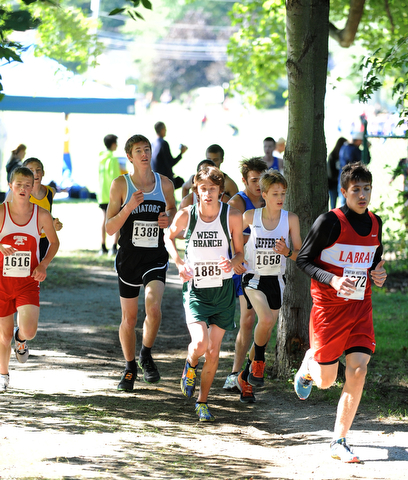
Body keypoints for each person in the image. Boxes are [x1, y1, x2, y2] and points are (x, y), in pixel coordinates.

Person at [295, 162, 387, 463]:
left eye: (367, 189)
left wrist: (377, 273)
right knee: (325, 381)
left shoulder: (376, 223)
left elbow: (373, 260)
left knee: (358, 370)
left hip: (360, 306)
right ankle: (310, 364)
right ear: (344, 191)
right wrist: (333, 279)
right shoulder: (329, 222)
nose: (363, 195)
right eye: (356, 189)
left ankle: (340, 439)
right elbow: (304, 260)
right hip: (329, 310)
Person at [165, 166, 244, 422]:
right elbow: (168, 237)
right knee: (200, 344)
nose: (207, 193)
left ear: (220, 191)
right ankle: (190, 362)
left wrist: (232, 263)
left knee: (213, 351)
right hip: (197, 290)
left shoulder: (232, 215)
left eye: (212, 189)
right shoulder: (188, 215)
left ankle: (202, 402)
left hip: (223, 292)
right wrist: (178, 262)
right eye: (203, 189)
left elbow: (240, 253)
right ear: (196, 191)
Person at [106, 134, 177, 392]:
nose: (145, 154)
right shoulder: (120, 185)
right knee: (129, 318)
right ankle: (129, 367)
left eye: (147, 149)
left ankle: (145, 354)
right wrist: (128, 207)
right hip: (129, 259)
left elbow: (172, 210)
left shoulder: (164, 183)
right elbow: (109, 227)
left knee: (154, 308)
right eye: (139, 150)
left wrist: (168, 219)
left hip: (155, 258)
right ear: (130, 157)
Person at [235, 170, 302, 403]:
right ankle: (260, 363)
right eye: (275, 193)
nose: (280, 197)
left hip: (276, 280)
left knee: (265, 329)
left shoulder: (290, 219)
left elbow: (299, 254)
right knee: (264, 321)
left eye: (283, 193)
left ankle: (245, 377)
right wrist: (237, 256)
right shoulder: (249, 216)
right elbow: (233, 238)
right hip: (253, 277)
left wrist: (288, 252)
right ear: (263, 194)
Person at [0, 167, 59, 392]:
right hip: (1, 282)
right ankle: (3, 374)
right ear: (10, 186)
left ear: (33, 187)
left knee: (29, 330)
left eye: (28, 185)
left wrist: (43, 264)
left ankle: (21, 338)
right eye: (19, 185)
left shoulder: (41, 215)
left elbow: (54, 243)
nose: (23, 189)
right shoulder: (1, 212)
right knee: (3, 336)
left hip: (27, 282)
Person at [222, 157, 267, 394]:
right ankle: (234, 373)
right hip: (245, 268)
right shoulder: (237, 202)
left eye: (262, 179)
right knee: (248, 320)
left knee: (266, 322)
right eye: (253, 180)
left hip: (269, 269)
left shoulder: (273, 198)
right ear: (244, 181)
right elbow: (230, 236)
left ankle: (249, 369)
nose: (258, 184)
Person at [22, 158, 63, 260]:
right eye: (31, 170)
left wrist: (53, 223)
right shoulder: (19, 193)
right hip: (25, 240)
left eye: (38, 170)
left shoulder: (50, 192)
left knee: (39, 272)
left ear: (43, 172)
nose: (35, 173)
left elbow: (45, 213)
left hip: (44, 240)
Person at [98, 134, 121, 256]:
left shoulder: (101, 158)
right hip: (112, 195)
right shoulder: (112, 159)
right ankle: (114, 246)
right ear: (113, 144)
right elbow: (116, 178)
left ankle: (103, 246)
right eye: (116, 142)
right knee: (117, 219)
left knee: (104, 219)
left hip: (102, 195)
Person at [151, 121, 187, 190]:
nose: (166, 130)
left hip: (155, 179)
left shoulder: (152, 144)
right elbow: (170, 163)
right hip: (165, 180)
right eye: (165, 129)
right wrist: (181, 153)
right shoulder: (163, 144)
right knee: (181, 182)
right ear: (162, 130)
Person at [338, 132, 371, 205]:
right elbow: (365, 161)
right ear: (359, 140)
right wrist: (366, 148)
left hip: (342, 175)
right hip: (352, 177)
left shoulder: (344, 147)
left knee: (343, 199)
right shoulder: (354, 150)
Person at [327, 137, 347, 210]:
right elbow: (329, 171)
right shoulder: (333, 155)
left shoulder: (344, 156)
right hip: (333, 183)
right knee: (333, 201)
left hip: (342, 182)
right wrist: (336, 178)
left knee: (343, 202)